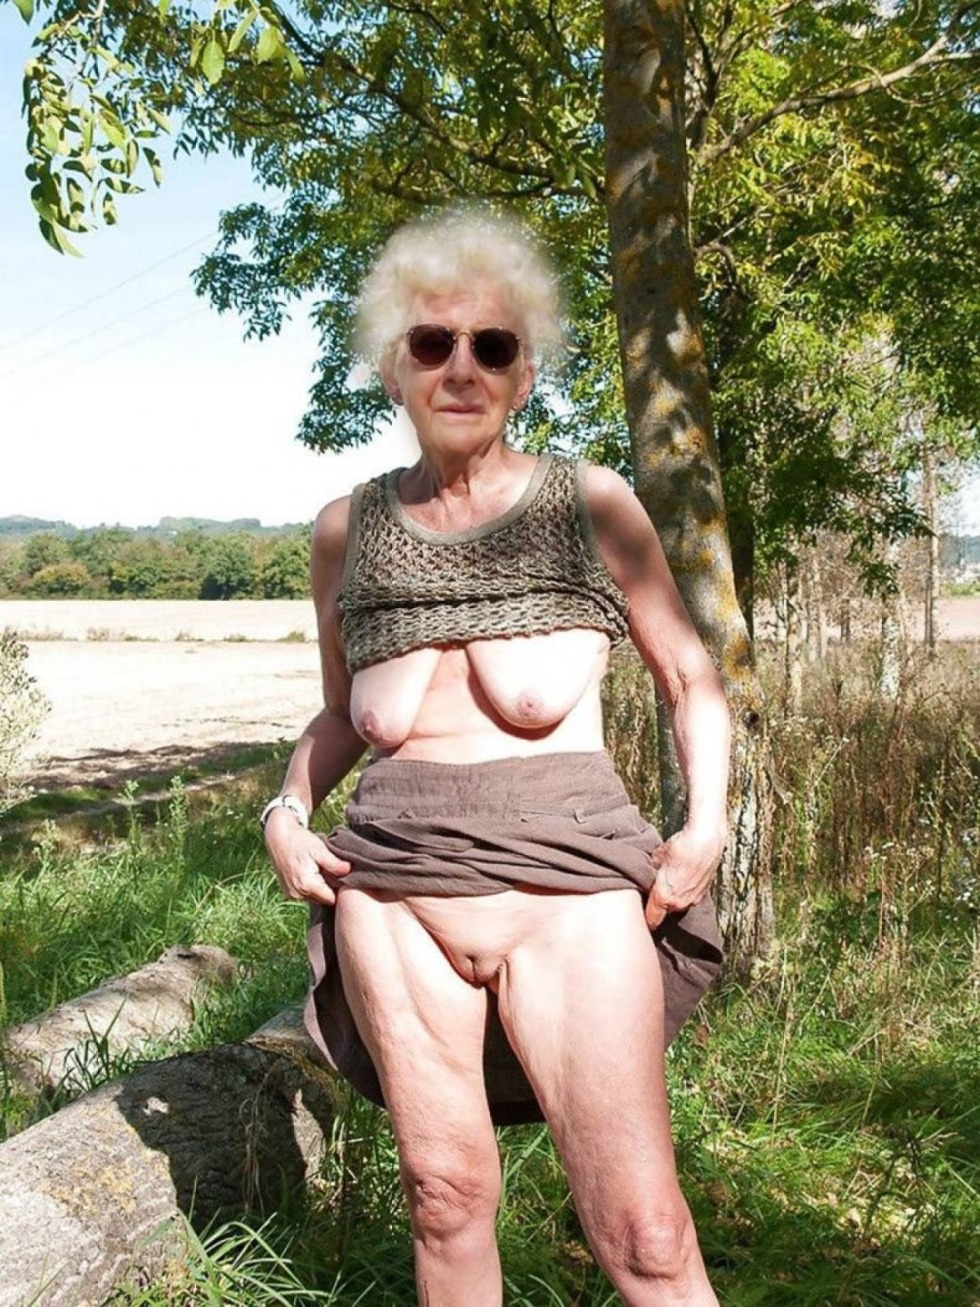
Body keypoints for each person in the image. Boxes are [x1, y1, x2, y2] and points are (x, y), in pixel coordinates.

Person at [262, 208, 730, 1306]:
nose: (461, 367)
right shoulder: (343, 530)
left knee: (646, 1228)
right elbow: (339, 715)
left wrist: (703, 823)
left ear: (526, 372)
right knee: (443, 1194)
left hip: (569, 890)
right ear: (393, 367)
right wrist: (285, 809)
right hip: (393, 898)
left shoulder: (590, 503)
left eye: (492, 345)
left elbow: (688, 676)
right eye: (431, 342)